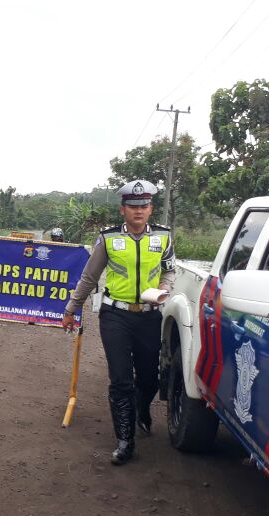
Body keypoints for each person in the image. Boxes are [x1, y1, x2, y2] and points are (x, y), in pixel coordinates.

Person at [62, 179, 175, 465]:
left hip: (149, 315)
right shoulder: (108, 238)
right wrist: (71, 308)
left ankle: (141, 407)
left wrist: (164, 289)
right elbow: (89, 277)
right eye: (133, 206)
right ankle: (125, 440)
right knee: (121, 378)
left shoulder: (163, 237)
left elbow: (169, 270)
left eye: (144, 206)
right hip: (115, 315)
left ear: (151, 209)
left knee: (149, 378)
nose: (139, 211)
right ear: (123, 209)